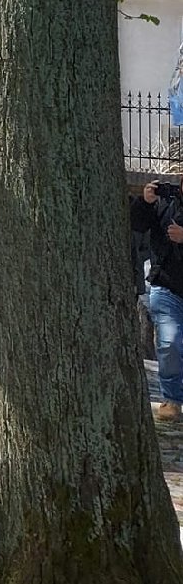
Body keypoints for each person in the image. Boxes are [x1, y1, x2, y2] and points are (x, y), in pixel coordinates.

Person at [130, 179, 183, 421]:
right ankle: (171, 399)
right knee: (169, 342)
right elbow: (137, 224)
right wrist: (145, 202)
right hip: (166, 285)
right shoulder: (165, 203)